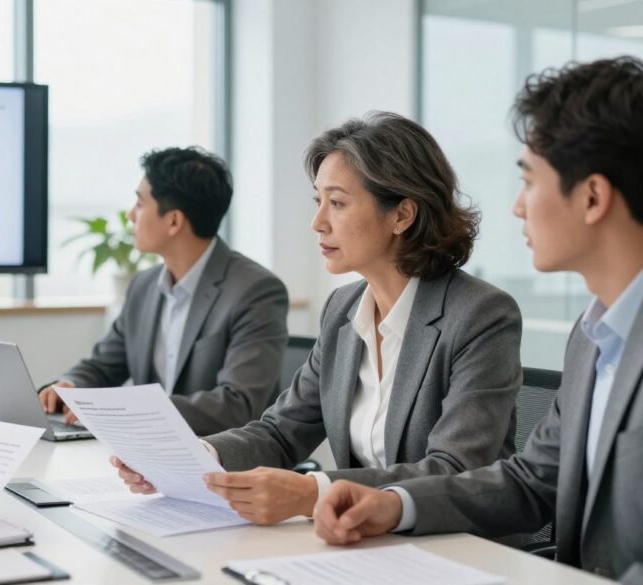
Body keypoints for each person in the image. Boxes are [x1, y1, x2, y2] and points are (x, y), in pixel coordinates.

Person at [312, 57, 643, 584]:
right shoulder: (592, 336)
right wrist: (395, 504)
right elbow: (533, 483)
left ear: (593, 196)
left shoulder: (484, 314)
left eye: (529, 182)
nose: (516, 208)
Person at [114, 112, 523, 525]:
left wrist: (313, 492)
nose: (317, 223)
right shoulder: (343, 310)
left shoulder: (480, 314)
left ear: (402, 215)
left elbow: (454, 469)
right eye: (318, 201)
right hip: (361, 541)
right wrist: (190, 458)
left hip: (456, 547)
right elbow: (280, 431)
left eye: (338, 203)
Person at [39, 146, 289, 435]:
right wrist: (72, 385)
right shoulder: (143, 286)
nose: (131, 215)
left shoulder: (255, 291)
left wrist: (131, 411)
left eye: (140, 204)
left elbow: (237, 404)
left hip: (222, 461)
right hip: (148, 457)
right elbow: (104, 365)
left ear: (173, 221)